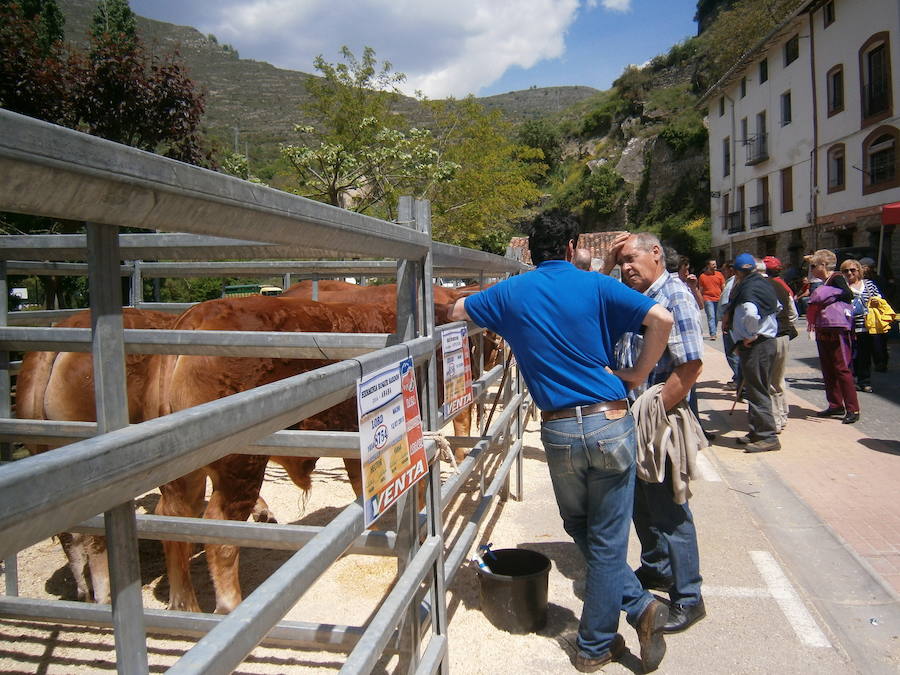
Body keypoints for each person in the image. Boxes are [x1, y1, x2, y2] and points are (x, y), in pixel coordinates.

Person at [450, 210, 674, 673]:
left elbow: (454, 311)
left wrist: (485, 299)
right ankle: (618, 626)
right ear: (573, 248)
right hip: (610, 419)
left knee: (579, 527)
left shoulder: (512, 292)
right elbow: (662, 318)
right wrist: (636, 374)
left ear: (529, 252)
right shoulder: (595, 284)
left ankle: (624, 620)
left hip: (559, 429)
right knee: (609, 539)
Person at [606, 232, 707, 635]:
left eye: (632, 259)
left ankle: (689, 597)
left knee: (668, 508)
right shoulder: (637, 296)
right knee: (640, 501)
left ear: (656, 254)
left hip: (657, 416)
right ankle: (658, 568)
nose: (627, 267)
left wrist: (651, 414)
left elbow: (689, 367)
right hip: (635, 413)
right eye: (621, 263)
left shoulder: (675, 295)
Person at [723, 253, 782, 452]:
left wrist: (750, 333)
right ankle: (756, 431)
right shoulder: (763, 284)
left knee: (757, 390)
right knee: (758, 387)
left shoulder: (747, 288)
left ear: (738, 272)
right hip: (766, 343)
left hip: (757, 345)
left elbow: (749, 312)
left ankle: (767, 436)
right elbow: (778, 307)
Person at [808, 249, 860, 424]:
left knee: (841, 367)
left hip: (836, 327)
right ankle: (835, 404)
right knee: (828, 367)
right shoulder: (824, 282)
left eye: (814, 266)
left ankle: (852, 408)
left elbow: (848, 294)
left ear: (823, 265)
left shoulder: (836, 277)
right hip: (824, 328)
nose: (812, 269)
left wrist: (826, 293)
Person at [763, 256, 798, 433]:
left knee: (769, 382)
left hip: (769, 338)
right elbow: (793, 313)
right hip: (784, 335)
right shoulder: (782, 286)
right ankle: (783, 415)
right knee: (779, 379)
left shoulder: (759, 287)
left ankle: (775, 421)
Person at [839, 258, 881, 393]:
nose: (849, 273)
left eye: (852, 270)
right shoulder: (842, 287)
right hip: (848, 326)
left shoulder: (868, 284)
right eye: (845, 271)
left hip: (866, 326)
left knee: (865, 355)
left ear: (859, 271)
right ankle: (852, 380)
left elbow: (878, 299)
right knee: (851, 355)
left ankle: (865, 381)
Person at [859, 257, 890, 372]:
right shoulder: (876, 279)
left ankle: (880, 362)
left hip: (876, 315)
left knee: (878, 340)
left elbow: (882, 296)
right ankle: (880, 361)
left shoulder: (874, 281)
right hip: (874, 316)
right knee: (878, 340)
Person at [719, 262, 741, 389]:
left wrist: (725, 322)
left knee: (732, 351)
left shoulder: (731, 284)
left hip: (730, 323)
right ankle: (738, 377)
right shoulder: (735, 282)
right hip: (734, 322)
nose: (723, 272)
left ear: (731, 270)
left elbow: (726, 304)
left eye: (724, 269)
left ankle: (738, 379)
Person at [698, 259, 725, 340]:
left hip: (718, 298)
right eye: (713, 264)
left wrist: (724, 296)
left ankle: (714, 331)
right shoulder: (702, 276)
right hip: (707, 298)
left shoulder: (719, 275)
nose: (715, 266)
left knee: (716, 317)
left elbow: (723, 286)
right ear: (708, 266)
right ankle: (712, 333)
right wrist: (700, 300)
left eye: (715, 264)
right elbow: (701, 289)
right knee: (711, 316)